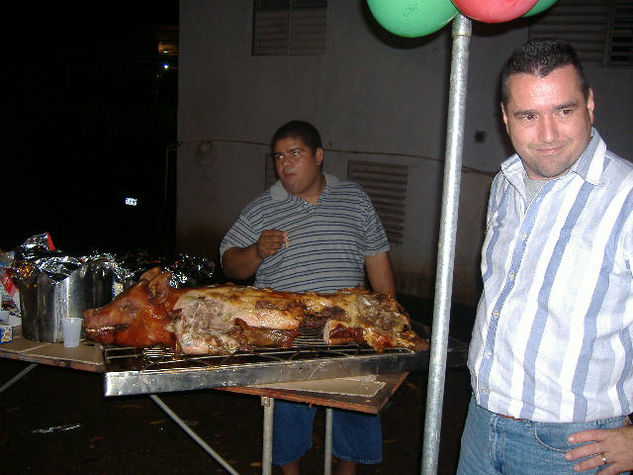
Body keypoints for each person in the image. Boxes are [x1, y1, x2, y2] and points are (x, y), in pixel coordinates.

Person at [457, 38, 633, 474]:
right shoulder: (505, 185)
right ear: (505, 118)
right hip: (482, 422)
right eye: (529, 116)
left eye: (564, 110)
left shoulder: (627, 198)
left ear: (589, 104)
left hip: (572, 448)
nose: (548, 134)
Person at [219, 120, 395, 474]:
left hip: (349, 327)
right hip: (288, 333)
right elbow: (229, 265)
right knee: (288, 417)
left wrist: (387, 317)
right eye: (279, 157)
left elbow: (377, 260)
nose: (285, 165)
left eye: (295, 154)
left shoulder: (354, 199)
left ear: (318, 156)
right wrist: (256, 251)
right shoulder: (263, 207)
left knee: (355, 408)